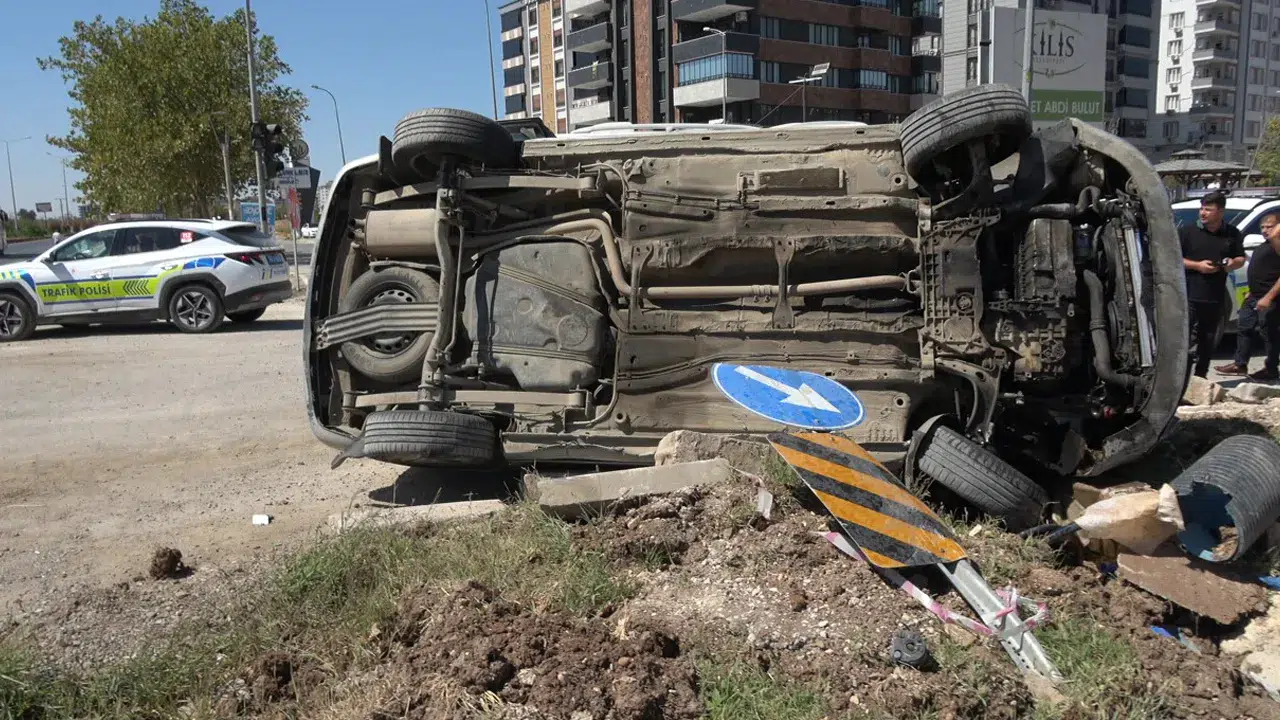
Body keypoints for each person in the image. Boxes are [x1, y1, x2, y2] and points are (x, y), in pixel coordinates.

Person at [1180, 192, 1246, 378]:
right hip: (1188, 293)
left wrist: (1233, 264)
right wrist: (1197, 266)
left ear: (1220, 212)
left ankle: (1201, 376)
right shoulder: (1187, 232)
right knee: (1184, 339)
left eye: (1208, 209)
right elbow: (1174, 260)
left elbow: (1240, 257)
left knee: (1208, 338)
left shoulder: (1232, 233)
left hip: (1216, 294)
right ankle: (1180, 379)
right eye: (1202, 208)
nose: (1203, 213)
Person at [1217, 212, 1280, 381]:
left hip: (1271, 297)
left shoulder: (1277, 244)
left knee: (1269, 333)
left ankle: (1271, 369)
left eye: (1270, 226)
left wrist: (1268, 297)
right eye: (1263, 227)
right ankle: (1240, 363)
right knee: (1244, 327)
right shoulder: (1264, 245)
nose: (1266, 230)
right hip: (1254, 295)